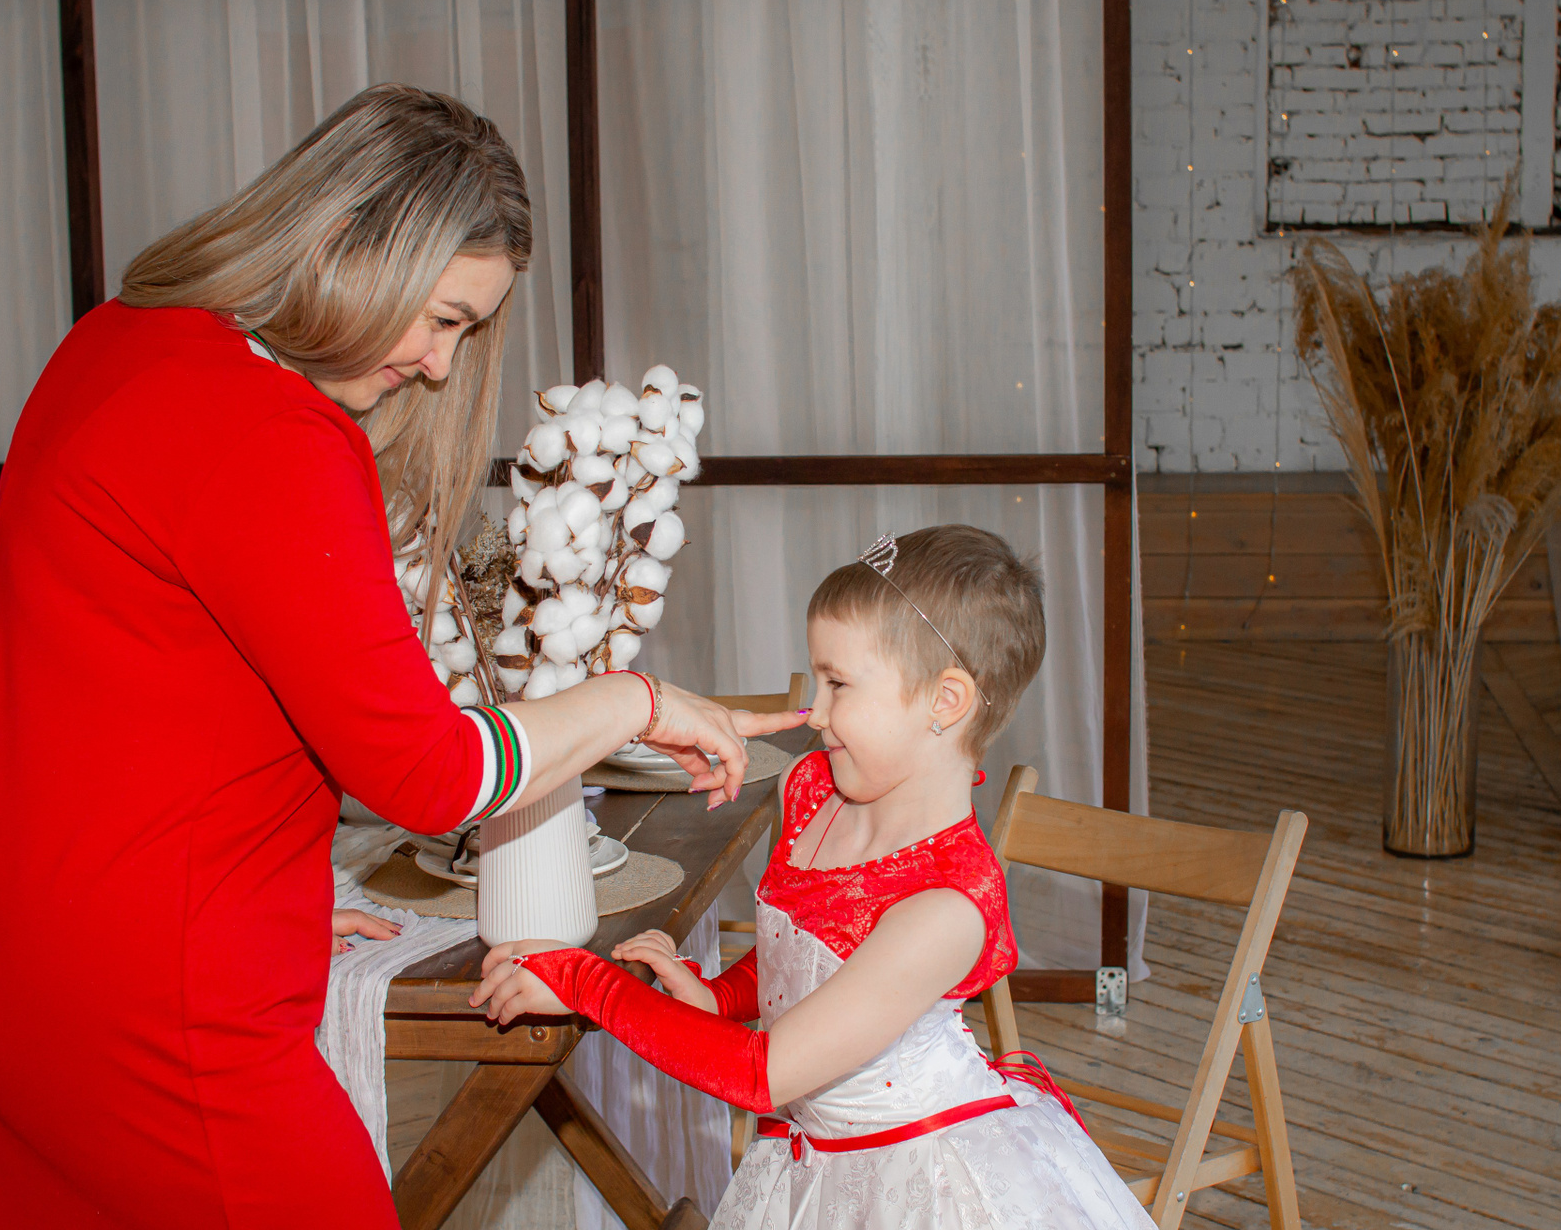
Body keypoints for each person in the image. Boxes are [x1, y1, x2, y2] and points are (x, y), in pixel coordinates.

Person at [0, 84, 803, 1229]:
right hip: (152, 1011)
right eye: (440, 318)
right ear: (350, 241)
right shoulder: (271, 434)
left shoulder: (117, 341)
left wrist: (267, 892)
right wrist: (632, 700)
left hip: (11, 956)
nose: (440, 364)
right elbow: (430, 773)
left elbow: (134, 696)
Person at [474, 525, 1155, 1228]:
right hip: (811, 1158)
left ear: (945, 702)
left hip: (917, 1178)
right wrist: (718, 998)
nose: (816, 714)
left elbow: (761, 1074)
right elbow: (806, 948)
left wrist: (583, 982)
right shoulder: (810, 789)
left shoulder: (946, 908)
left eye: (838, 684)